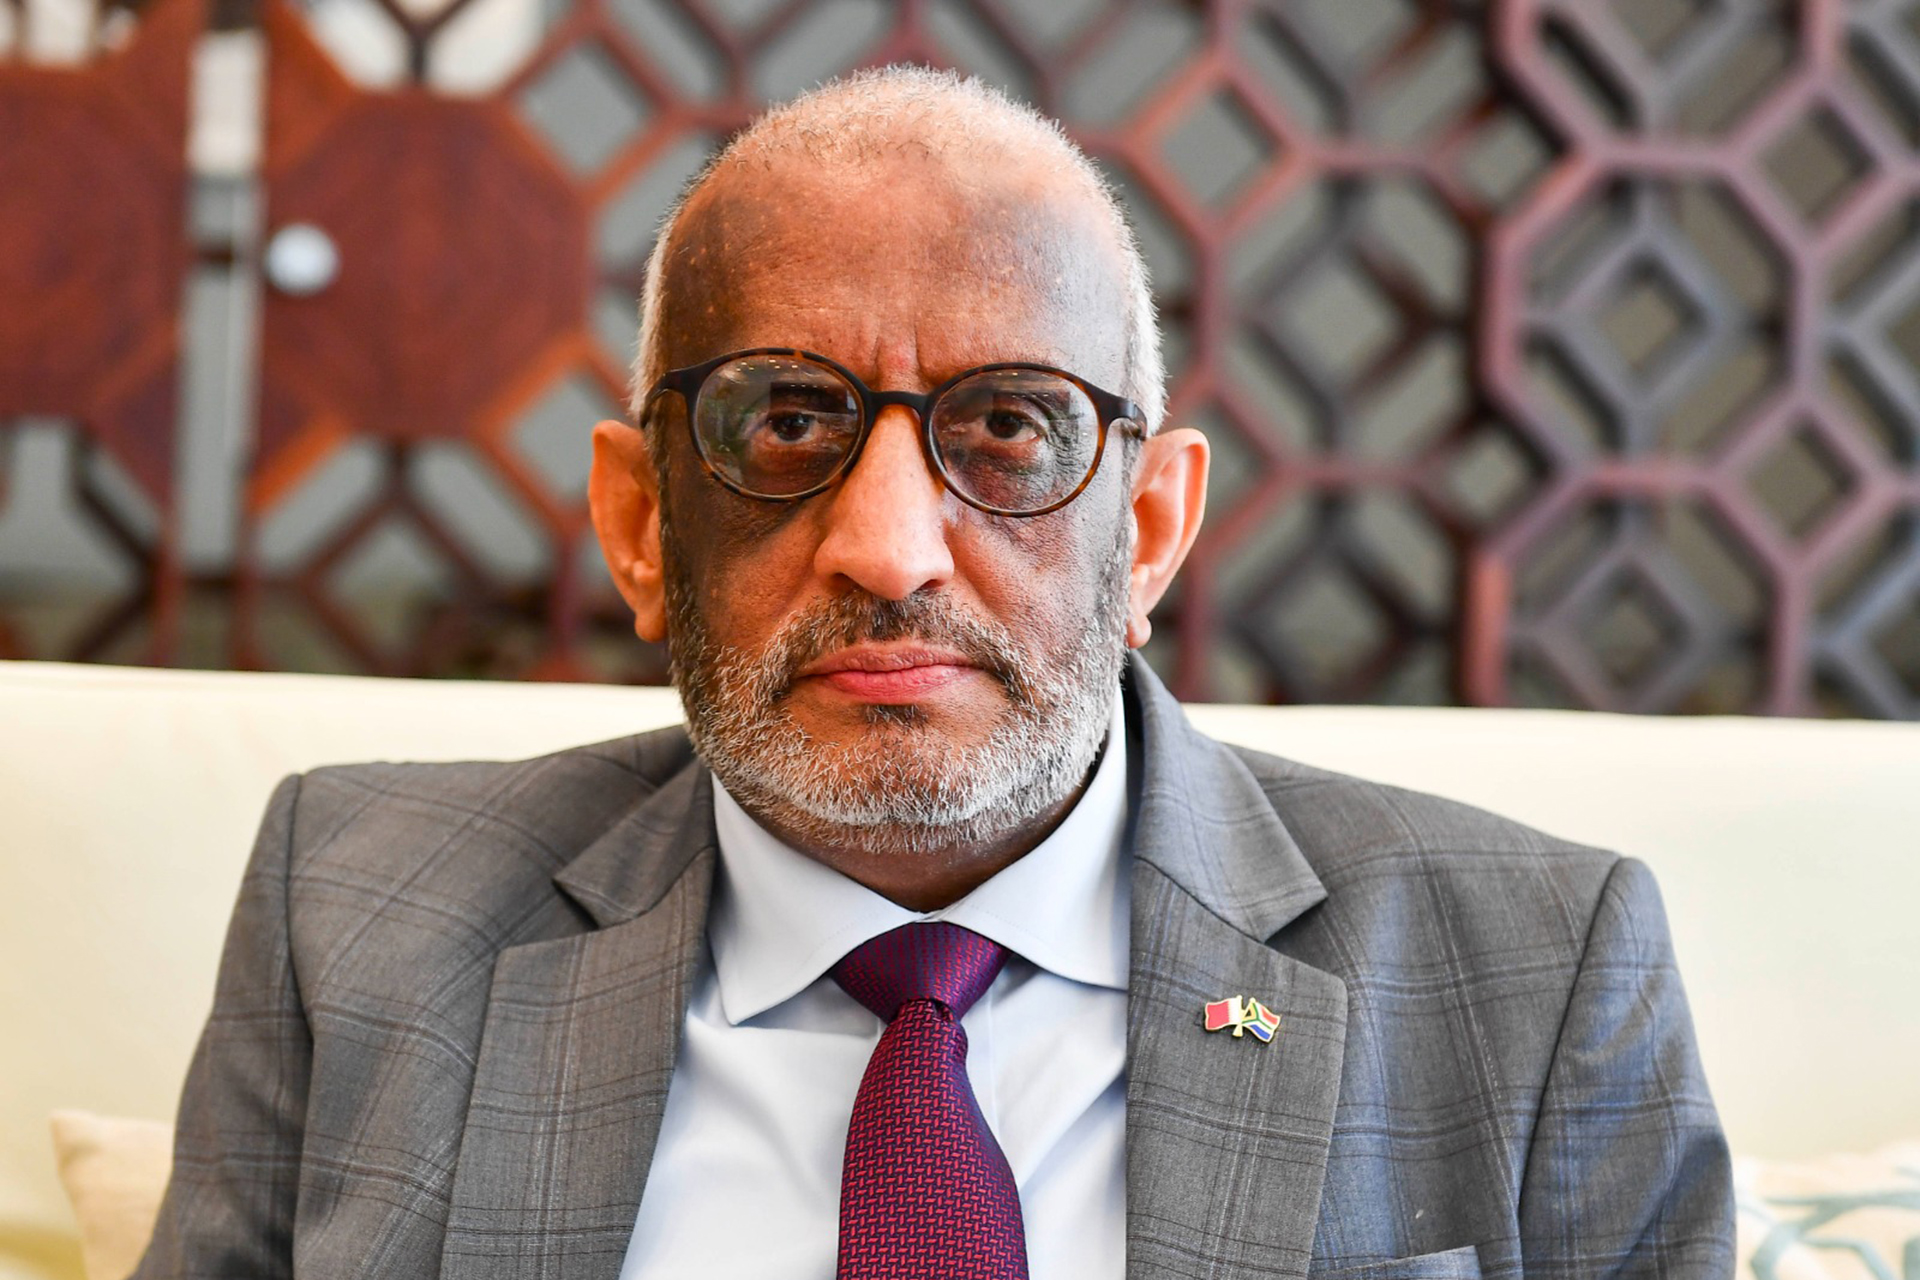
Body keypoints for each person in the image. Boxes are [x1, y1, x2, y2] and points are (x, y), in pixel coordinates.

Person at [136, 67, 1733, 1280]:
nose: (889, 549)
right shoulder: (354, 917)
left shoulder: (1537, 974)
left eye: (1010, 427)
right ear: (637, 525)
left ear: (1149, 531)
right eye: (785, 422)